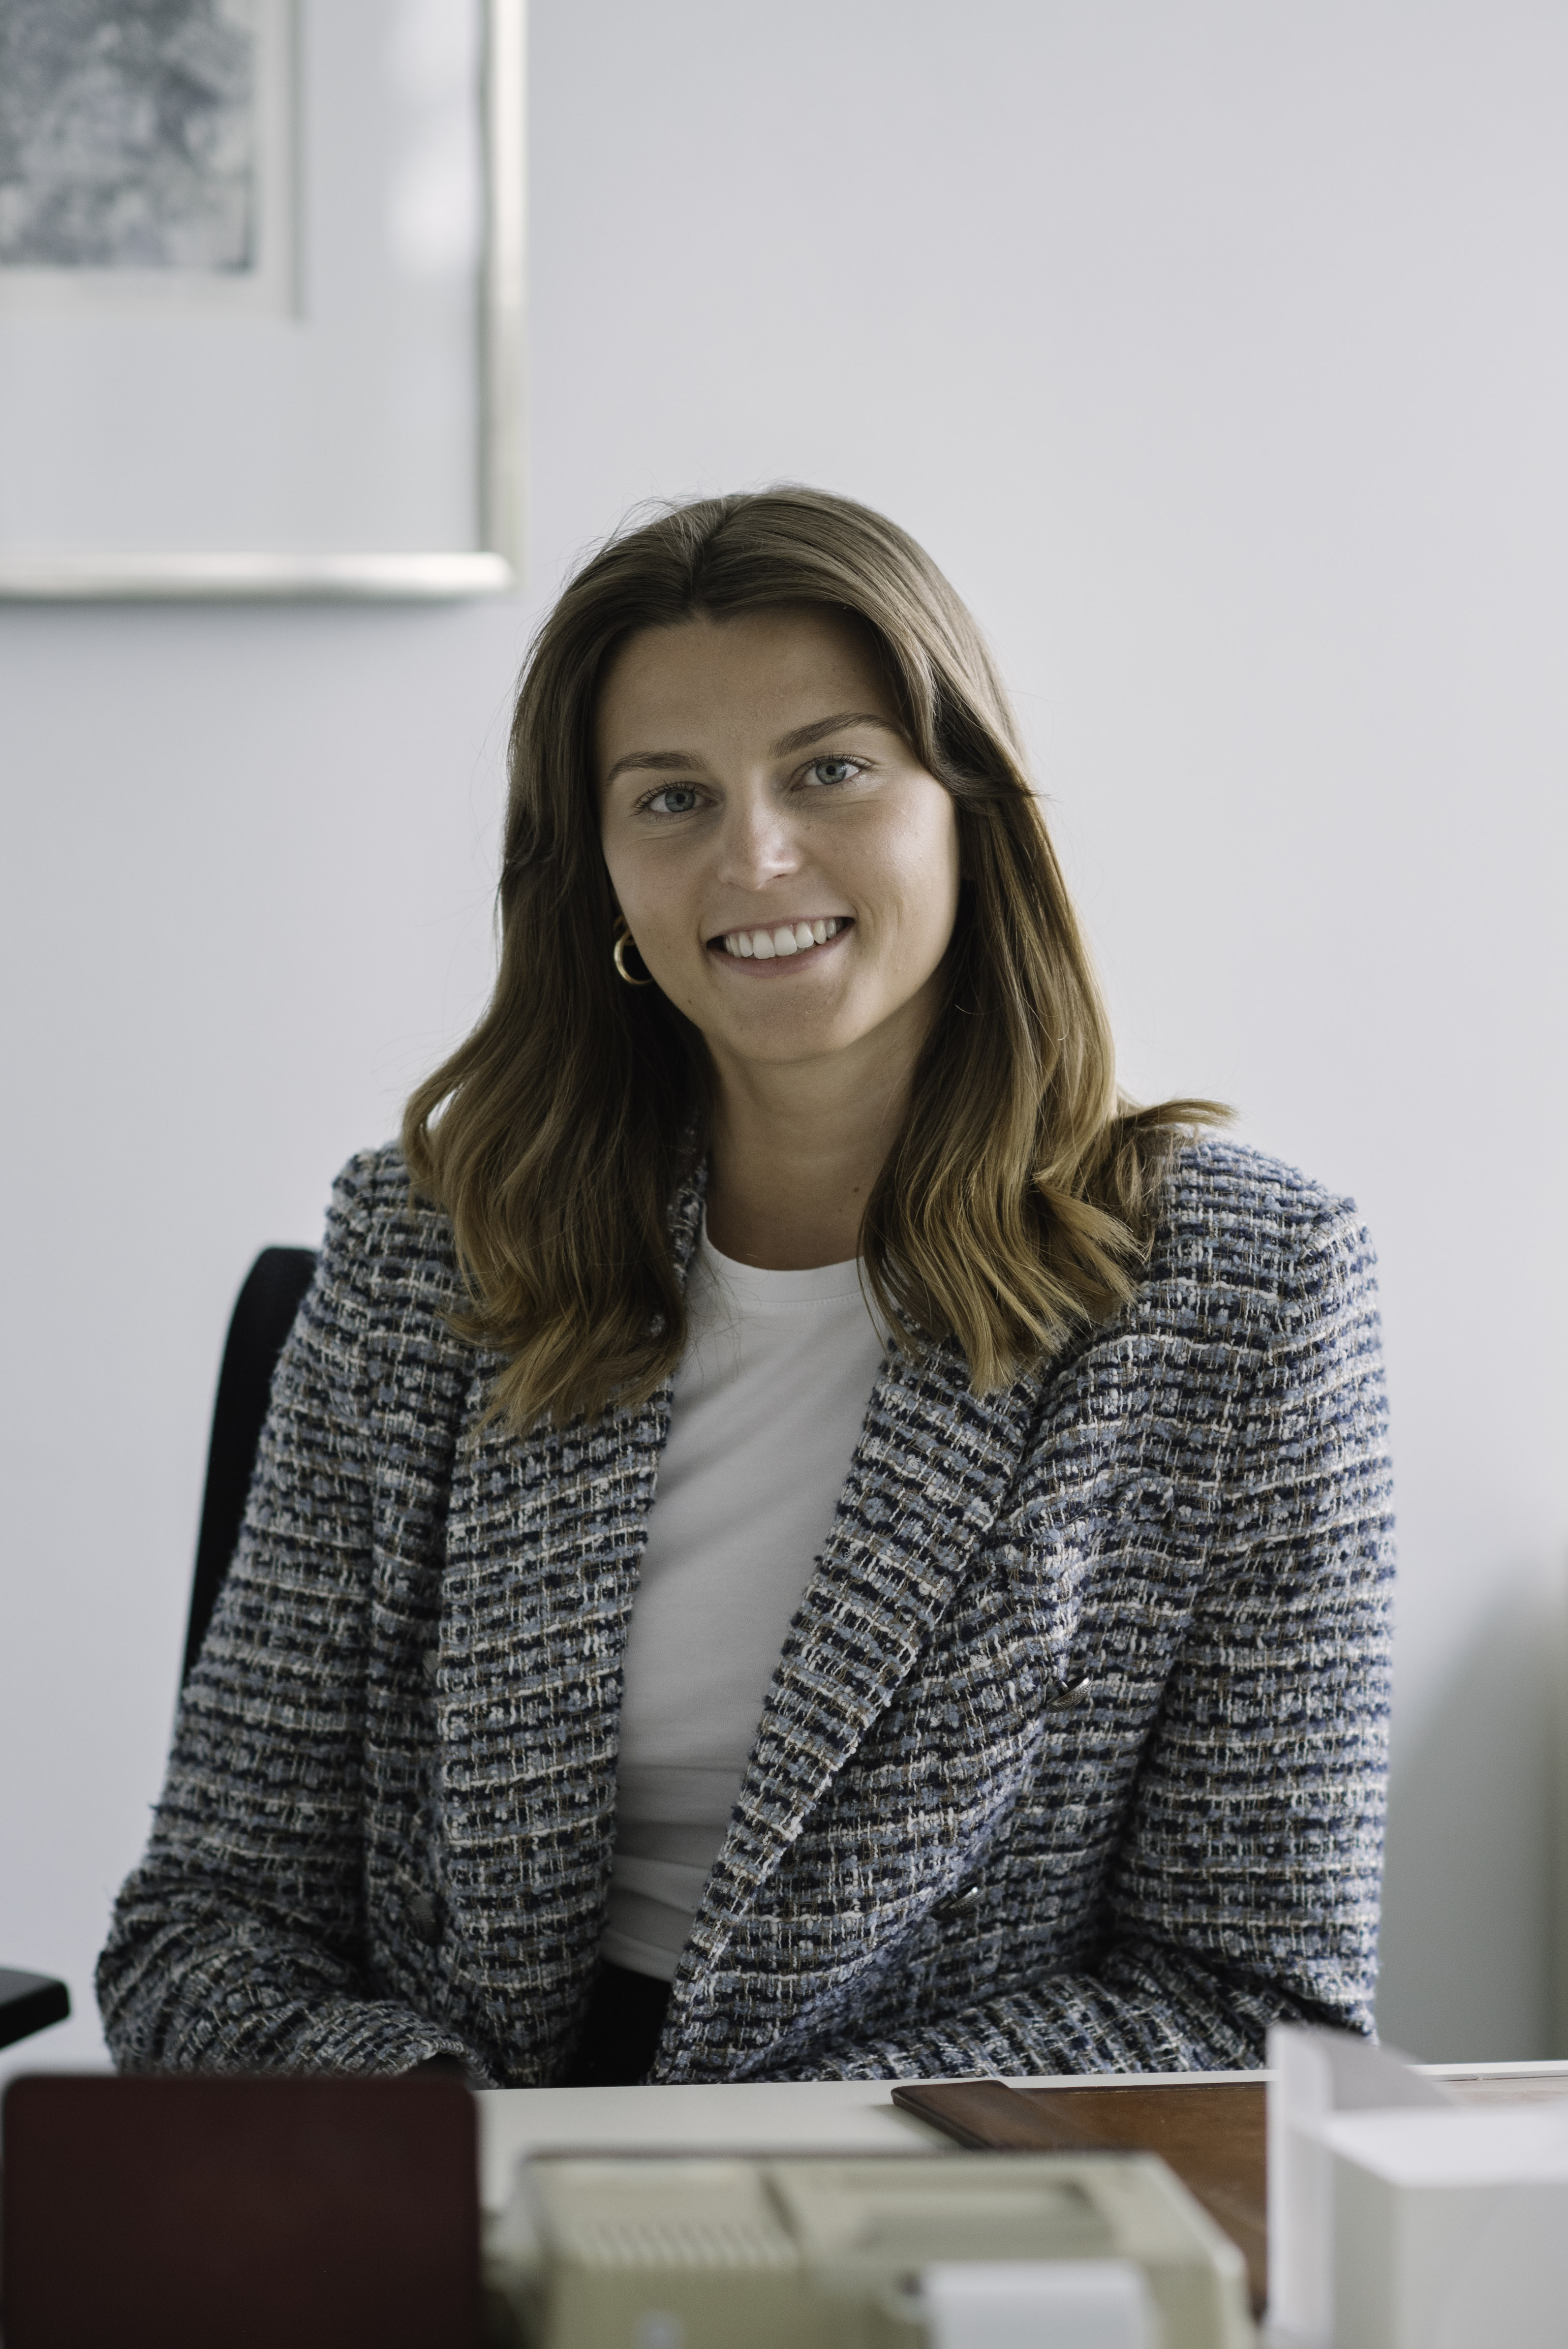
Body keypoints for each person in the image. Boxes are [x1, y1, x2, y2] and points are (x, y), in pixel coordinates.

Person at [98, 488, 1393, 2088]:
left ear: (964, 807)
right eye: (670, 798)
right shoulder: (429, 1248)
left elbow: (1247, 1998)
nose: (755, 855)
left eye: (829, 770)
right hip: (450, 2175)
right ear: (601, 877)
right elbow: (205, 1927)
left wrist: (746, 2163)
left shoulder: (1246, 1299)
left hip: (939, 2223)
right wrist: (469, 2153)